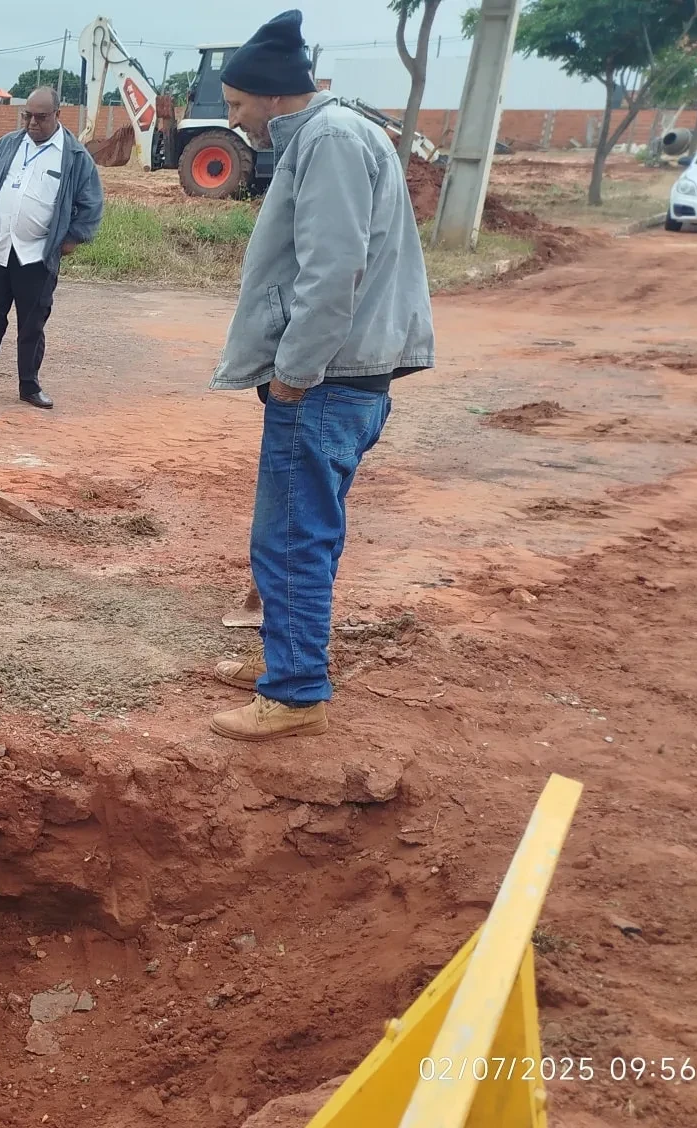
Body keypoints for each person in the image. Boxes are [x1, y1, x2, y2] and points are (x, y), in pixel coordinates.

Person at [206, 10, 435, 741]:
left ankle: (295, 689)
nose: (234, 120)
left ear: (274, 95)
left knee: (293, 535)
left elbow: (332, 269)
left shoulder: (331, 140)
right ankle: (287, 656)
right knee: (301, 531)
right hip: (345, 376)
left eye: (238, 105)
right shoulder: (337, 135)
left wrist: (296, 371)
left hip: (326, 380)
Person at [0, 86, 105, 411]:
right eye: (28, 116)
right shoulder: (7, 145)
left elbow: (91, 204)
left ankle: (29, 387)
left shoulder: (75, 156)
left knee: (32, 326)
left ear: (57, 116)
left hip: (36, 257)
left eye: (41, 117)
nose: (33, 123)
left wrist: (71, 240)